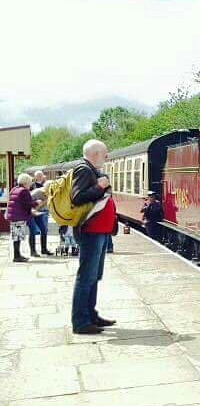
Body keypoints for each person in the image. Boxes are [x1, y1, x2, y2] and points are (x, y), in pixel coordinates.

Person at [70, 139, 118, 335]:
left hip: (99, 231)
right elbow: (77, 197)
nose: (106, 158)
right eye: (105, 154)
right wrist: (100, 186)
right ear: (96, 153)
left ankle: (91, 314)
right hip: (91, 232)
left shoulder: (90, 169)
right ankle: (81, 322)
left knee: (94, 276)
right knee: (86, 277)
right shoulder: (84, 169)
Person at [5, 173, 39, 262]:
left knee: (16, 236)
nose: (30, 184)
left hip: (13, 216)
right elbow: (27, 204)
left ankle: (17, 255)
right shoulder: (24, 191)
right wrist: (36, 202)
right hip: (19, 217)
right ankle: (17, 256)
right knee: (18, 236)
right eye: (30, 183)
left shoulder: (14, 189)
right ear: (26, 182)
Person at [27, 171, 52, 257]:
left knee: (44, 230)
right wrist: (42, 203)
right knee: (33, 231)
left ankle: (44, 249)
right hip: (31, 213)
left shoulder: (49, 194)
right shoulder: (37, 192)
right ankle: (33, 251)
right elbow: (28, 204)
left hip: (40, 213)